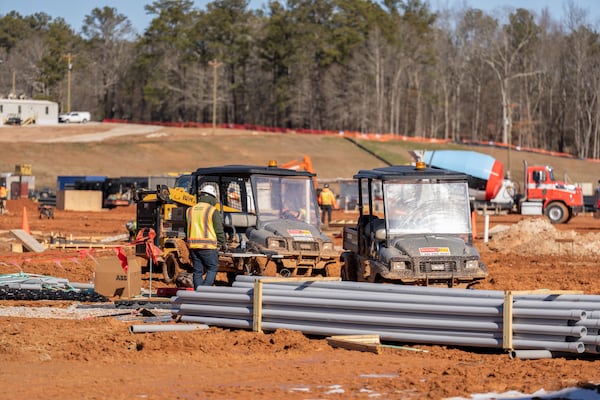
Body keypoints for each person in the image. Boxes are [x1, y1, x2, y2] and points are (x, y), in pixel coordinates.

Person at [186, 185, 226, 289]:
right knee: (212, 268)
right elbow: (218, 229)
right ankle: (204, 291)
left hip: (193, 246)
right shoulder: (212, 210)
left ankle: (198, 294)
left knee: (197, 271)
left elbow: (187, 229)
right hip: (208, 246)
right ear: (212, 197)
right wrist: (223, 242)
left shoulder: (190, 210)